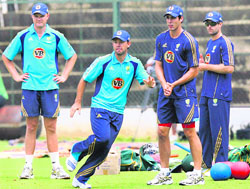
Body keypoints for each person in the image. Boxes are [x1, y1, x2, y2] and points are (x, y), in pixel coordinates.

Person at [66, 30, 155, 188]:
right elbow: (84, 79)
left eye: (121, 41)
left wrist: (150, 83)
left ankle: (80, 179)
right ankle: (77, 149)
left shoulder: (134, 64)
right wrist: (77, 102)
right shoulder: (104, 61)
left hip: (118, 112)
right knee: (102, 138)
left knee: (104, 149)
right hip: (100, 107)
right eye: (115, 41)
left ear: (129, 44)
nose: (118, 44)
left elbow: (147, 80)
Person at [2, 2, 77, 179]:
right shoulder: (23, 36)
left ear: (47, 16)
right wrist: (15, 76)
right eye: (36, 15)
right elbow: (6, 57)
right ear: (32, 17)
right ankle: (28, 168)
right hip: (29, 88)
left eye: (41, 15)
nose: (39, 18)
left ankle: (56, 168)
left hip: (50, 88)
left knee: (51, 127)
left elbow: (72, 56)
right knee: (31, 127)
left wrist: (64, 76)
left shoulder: (56, 36)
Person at [147, 5, 204, 186]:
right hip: (166, 93)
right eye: (167, 18)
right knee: (162, 131)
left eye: (173, 18)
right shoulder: (160, 38)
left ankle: (197, 173)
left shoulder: (189, 40)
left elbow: (194, 70)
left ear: (181, 19)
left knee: (189, 131)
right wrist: (164, 84)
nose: (170, 21)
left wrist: (174, 84)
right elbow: (158, 64)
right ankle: (165, 173)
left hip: (184, 93)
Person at [198, 11, 234, 176]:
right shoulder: (209, 43)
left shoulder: (225, 42)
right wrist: (202, 64)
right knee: (204, 131)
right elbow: (208, 65)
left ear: (220, 23)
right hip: (206, 93)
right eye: (207, 23)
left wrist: (205, 66)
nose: (210, 26)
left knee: (218, 131)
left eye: (213, 23)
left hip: (219, 94)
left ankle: (221, 166)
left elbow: (229, 67)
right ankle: (205, 165)